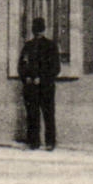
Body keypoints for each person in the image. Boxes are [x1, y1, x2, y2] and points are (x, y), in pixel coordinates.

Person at [18, 17, 59, 150]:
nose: (37, 33)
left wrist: (41, 78)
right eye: (36, 30)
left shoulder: (50, 46)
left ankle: (49, 142)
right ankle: (34, 142)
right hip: (31, 88)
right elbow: (21, 66)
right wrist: (26, 78)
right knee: (32, 114)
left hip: (46, 87)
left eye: (38, 30)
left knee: (47, 114)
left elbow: (56, 68)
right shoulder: (28, 46)